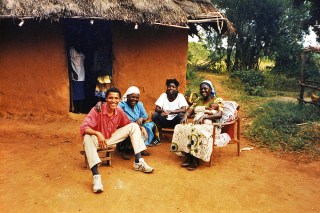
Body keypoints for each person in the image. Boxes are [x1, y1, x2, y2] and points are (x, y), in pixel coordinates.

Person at [80, 87, 154, 193]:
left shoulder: (119, 111)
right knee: (87, 136)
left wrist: (140, 127)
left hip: (110, 139)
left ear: (120, 100)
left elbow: (128, 124)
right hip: (96, 141)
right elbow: (83, 127)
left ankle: (138, 162)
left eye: (116, 98)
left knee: (134, 126)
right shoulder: (97, 109)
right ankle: (96, 177)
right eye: (110, 98)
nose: (113, 101)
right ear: (106, 99)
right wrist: (97, 133)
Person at [170, 80, 231, 171]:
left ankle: (195, 159)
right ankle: (188, 155)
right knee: (180, 127)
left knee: (196, 130)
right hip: (197, 124)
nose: (203, 91)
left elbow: (219, 114)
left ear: (211, 89)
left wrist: (205, 116)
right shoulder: (198, 100)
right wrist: (185, 116)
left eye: (205, 88)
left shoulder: (217, 100)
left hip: (211, 125)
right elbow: (190, 111)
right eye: (201, 89)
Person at [118, 86, 160, 158]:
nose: (135, 99)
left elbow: (145, 116)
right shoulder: (121, 105)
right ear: (127, 96)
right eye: (132, 97)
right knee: (131, 130)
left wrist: (141, 118)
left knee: (150, 125)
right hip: (126, 125)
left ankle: (141, 148)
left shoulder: (139, 104)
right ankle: (125, 150)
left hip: (139, 125)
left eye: (137, 97)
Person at [70, 44, 86, 113]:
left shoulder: (81, 49)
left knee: (81, 93)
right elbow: (69, 62)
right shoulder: (72, 50)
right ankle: (76, 109)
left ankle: (81, 110)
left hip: (82, 74)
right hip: (76, 74)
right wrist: (73, 72)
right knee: (76, 94)